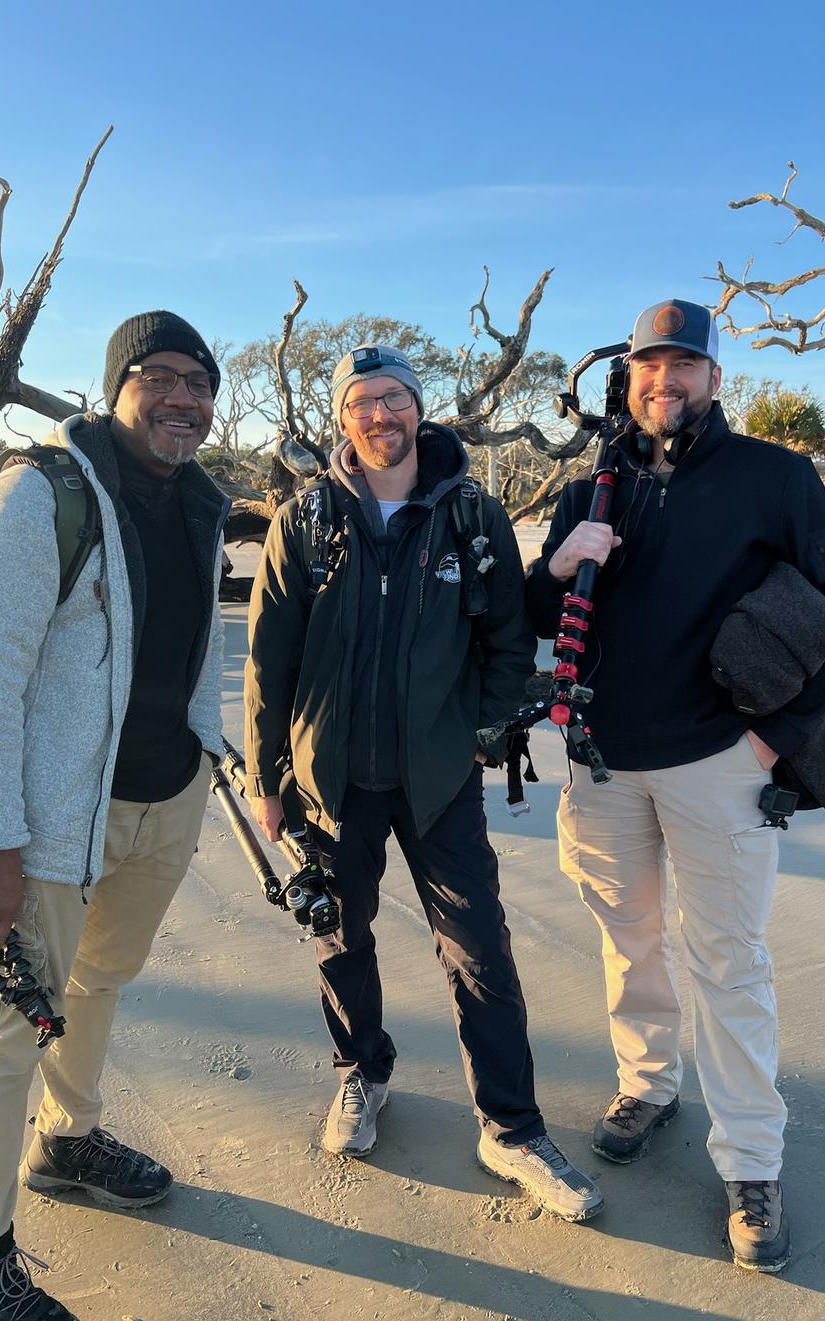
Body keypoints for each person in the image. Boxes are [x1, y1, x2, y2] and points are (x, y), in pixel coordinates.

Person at [525, 299, 825, 1272]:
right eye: (649, 364)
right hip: (598, 763)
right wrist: (560, 561)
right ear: (628, 374)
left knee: (728, 964)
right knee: (628, 941)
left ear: (714, 379)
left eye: (684, 365)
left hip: (723, 764)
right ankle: (647, 1080)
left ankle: (751, 1159)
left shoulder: (775, 476)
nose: (663, 381)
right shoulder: (594, 484)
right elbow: (536, 611)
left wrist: (774, 742)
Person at [243, 344, 604, 1225]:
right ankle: (361, 1073)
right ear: (343, 419)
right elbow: (269, 657)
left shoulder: (472, 515)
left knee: (480, 950)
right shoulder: (306, 518)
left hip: (439, 782)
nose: (379, 416)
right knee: (339, 937)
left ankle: (511, 1128)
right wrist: (265, 777)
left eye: (393, 399)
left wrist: (477, 733)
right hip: (331, 785)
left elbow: (509, 642)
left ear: (419, 407)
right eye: (361, 402)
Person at [0, 311, 230, 1321]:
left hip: (164, 795)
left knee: (99, 981)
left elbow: (192, 648)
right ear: (116, 386)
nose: (184, 397)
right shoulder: (35, 496)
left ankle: (70, 1137)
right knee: (7, 1025)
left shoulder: (200, 501)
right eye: (162, 377)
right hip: (48, 824)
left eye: (201, 382)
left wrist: (208, 751)